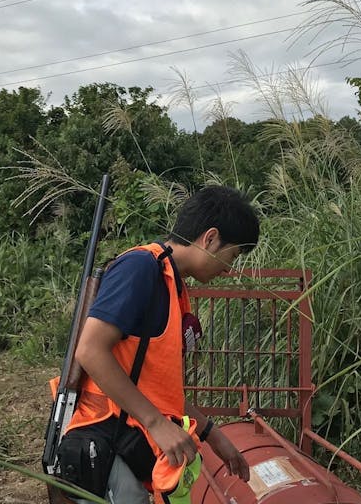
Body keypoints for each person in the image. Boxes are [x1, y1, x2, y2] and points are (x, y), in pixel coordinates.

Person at [59, 185, 257, 503]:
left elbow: (157, 389)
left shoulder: (170, 284)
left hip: (127, 443)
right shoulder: (140, 268)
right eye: (232, 255)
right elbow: (90, 350)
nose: (230, 269)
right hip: (104, 444)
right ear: (210, 238)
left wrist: (211, 434)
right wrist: (156, 424)